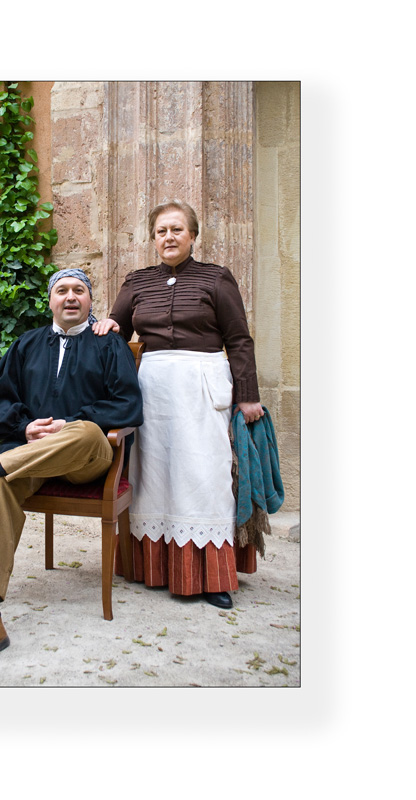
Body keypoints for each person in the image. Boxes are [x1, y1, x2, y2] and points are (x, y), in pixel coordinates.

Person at [0, 268, 143, 676]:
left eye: (79, 290)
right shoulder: (27, 344)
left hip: (86, 461)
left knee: (86, 431)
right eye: (62, 290)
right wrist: (25, 428)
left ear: (90, 301)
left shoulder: (108, 343)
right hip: (30, 459)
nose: (70, 297)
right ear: (50, 301)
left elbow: (127, 404)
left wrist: (69, 424)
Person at [92, 201, 264, 610]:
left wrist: (248, 395)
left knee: (204, 475)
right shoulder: (136, 281)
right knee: (152, 474)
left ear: (192, 235)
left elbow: (239, 340)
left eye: (177, 230)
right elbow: (117, 329)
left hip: (202, 388)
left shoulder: (217, 278)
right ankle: (150, 568)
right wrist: (109, 325)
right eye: (161, 231)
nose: (168, 237)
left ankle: (210, 576)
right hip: (152, 390)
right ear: (153, 239)